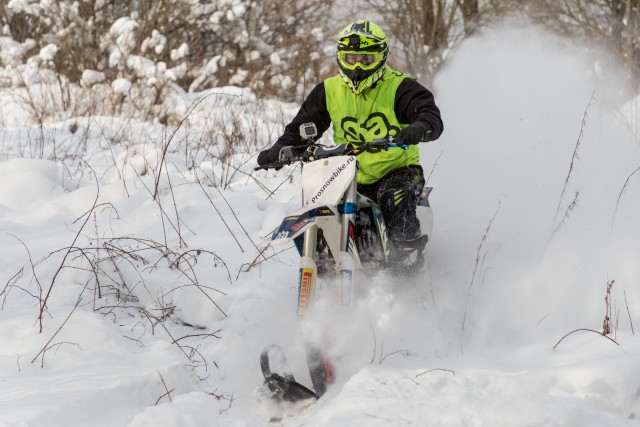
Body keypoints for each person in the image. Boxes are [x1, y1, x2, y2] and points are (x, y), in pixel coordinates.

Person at [257, 19, 443, 255]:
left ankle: (407, 266)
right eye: (351, 59)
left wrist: (417, 128)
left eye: (366, 59)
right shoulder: (329, 90)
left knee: (393, 198)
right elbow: (299, 129)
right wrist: (280, 149)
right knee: (323, 206)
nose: (357, 67)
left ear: (381, 57)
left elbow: (430, 116)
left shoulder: (400, 87)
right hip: (346, 175)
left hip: (397, 171)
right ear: (340, 57)